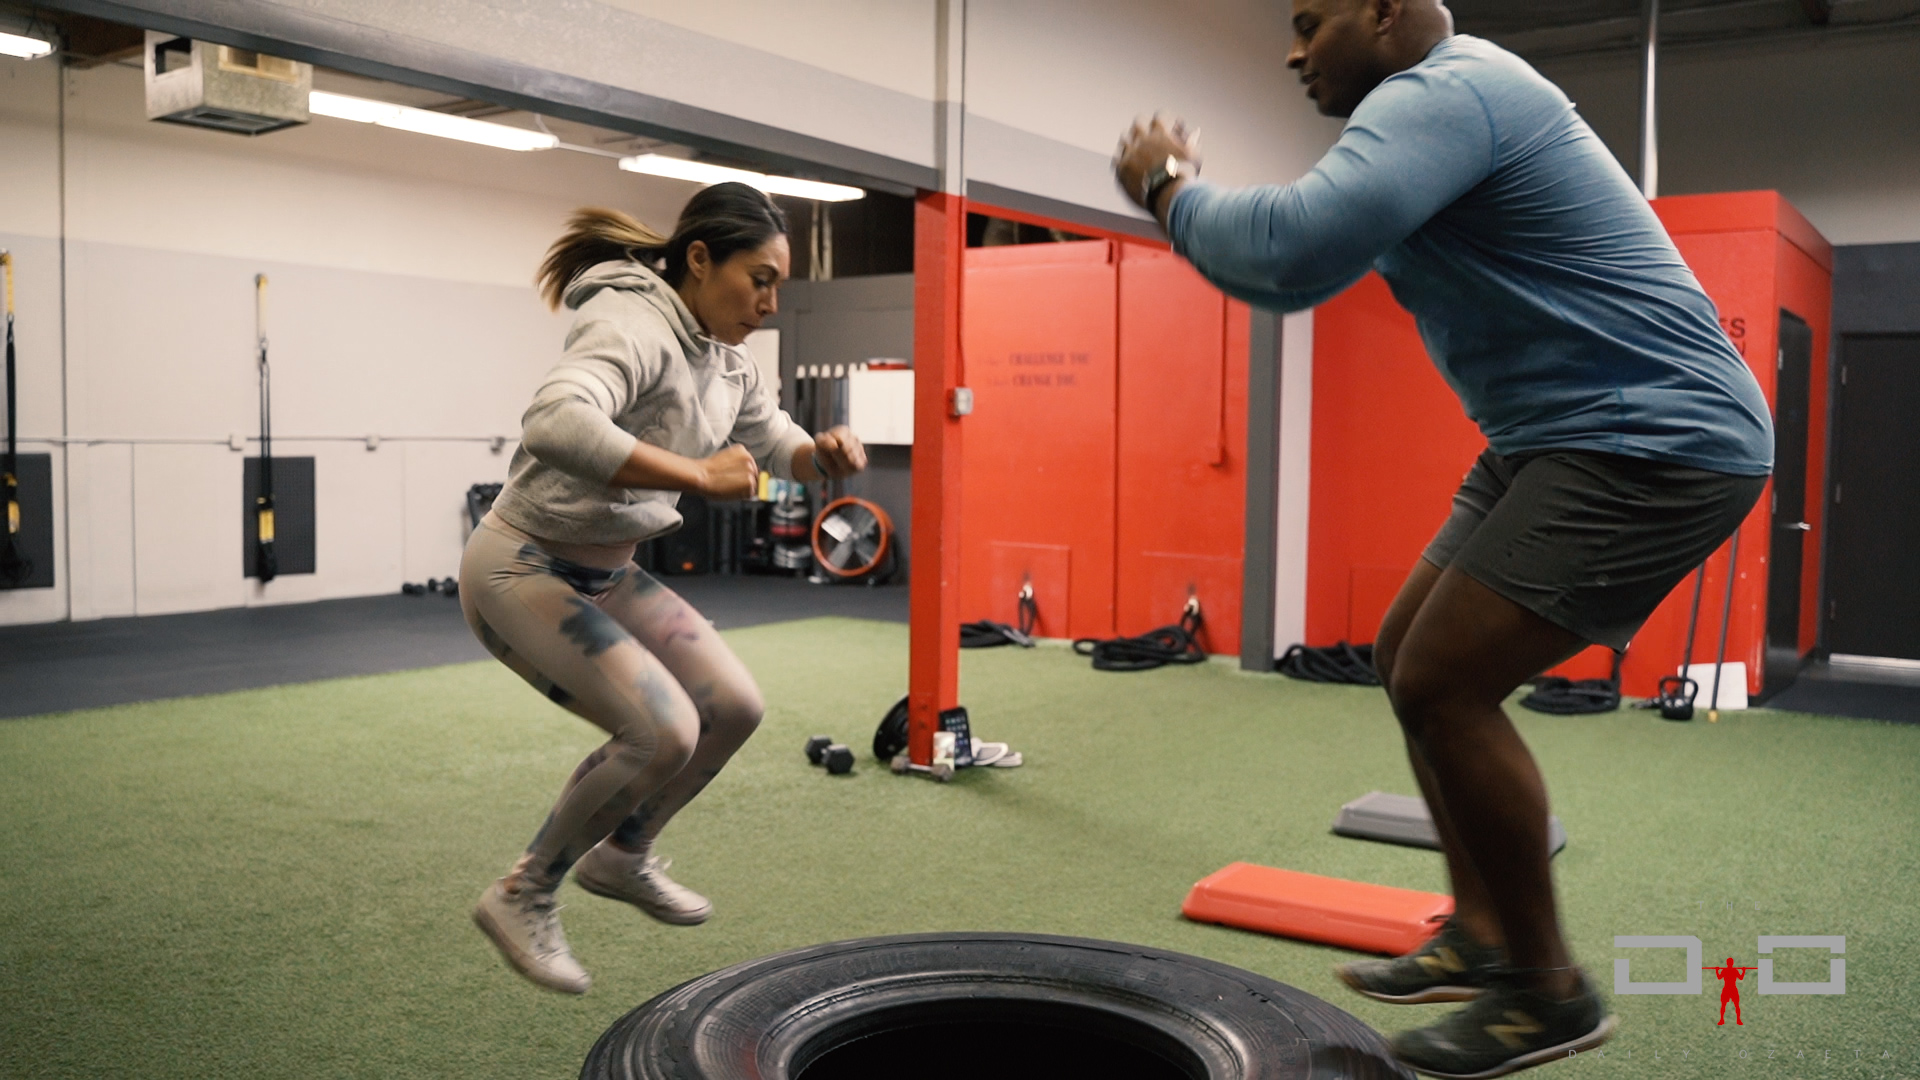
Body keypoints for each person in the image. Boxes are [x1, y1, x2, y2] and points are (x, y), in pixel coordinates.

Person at [1115, 1, 1771, 1076]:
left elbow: (1287, 244)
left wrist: (1165, 188)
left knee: (1444, 680)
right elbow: (1296, 276)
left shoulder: (1453, 91)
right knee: (1402, 652)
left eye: (1310, 21)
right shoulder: (1424, 118)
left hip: (1655, 437)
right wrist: (1188, 214)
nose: (1289, 53)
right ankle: (1482, 929)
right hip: (1551, 435)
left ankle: (1549, 992)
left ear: (1384, 12)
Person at [462, 184, 867, 994]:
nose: (768, 301)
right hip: (520, 567)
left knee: (736, 708)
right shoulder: (631, 323)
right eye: (758, 278)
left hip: (608, 575)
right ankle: (523, 892)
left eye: (778, 285)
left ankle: (621, 856)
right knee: (663, 733)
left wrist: (818, 455)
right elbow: (554, 422)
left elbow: (771, 436)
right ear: (698, 260)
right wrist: (692, 474)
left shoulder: (727, 356)